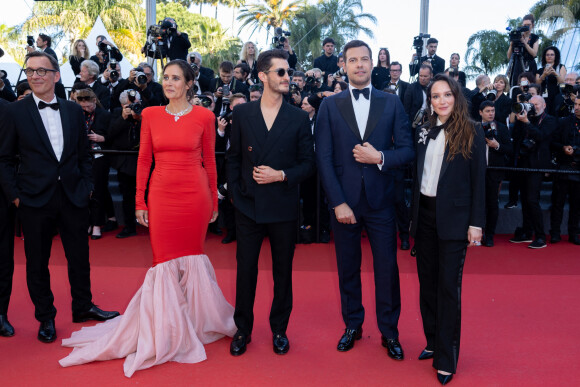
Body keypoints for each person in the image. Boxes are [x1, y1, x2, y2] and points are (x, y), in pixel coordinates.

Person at [59, 59, 236, 376]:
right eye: (165, 78)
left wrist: (214, 202)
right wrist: (139, 201)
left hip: (195, 197)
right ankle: (166, 328)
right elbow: (143, 161)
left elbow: (210, 162)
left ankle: (193, 321)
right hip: (162, 196)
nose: (169, 83)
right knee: (163, 261)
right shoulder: (152, 115)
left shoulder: (205, 117)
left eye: (175, 78)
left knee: (192, 257)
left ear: (189, 83)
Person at [0, 51, 119, 343]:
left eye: (42, 71)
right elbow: (3, 159)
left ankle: (83, 306)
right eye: (30, 71)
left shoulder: (72, 110)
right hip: (33, 200)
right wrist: (15, 196)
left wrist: (88, 185)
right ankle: (46, 317)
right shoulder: (14, 112)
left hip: (73, 196)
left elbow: (83, 154)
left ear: (56, 75)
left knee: (79, 257)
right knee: (37, 262)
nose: (36, 76)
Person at [315, 39, 414, 357]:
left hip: (381, 200)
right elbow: (324, 158)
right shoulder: (329, 105)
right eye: (352, 60)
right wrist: (338, 202)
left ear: (373, 64)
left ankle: (390, 332)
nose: (359, 65)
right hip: (344, 201)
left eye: (364, 59)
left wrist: (380, 157)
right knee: (347, 268)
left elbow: (408, 150)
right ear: (343, 64)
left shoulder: (392, 102)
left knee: (387, 269)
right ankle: (353, 325)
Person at [227, 49, 315, 356]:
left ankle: (280, 329)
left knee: (282, 272)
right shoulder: (242, 114)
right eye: (280, 72)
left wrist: (280, 175)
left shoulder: (299, 118)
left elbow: (308, 164)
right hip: (248, 207)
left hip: (283, 206)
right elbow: (234, 157)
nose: (287, 77)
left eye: (288, 72)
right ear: (262, 76)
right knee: (245, 270)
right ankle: (243, 329)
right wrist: (237, 195)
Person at [410, 74, 485, 385]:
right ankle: (433, 341)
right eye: (435, 96)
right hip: (424, 216)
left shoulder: (473, 131)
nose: (440, 101)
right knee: (427, 285)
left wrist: (476, 223)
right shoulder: (424, 129)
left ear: (457, 97)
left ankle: (446, 359)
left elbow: (479, 180)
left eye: (446, 95)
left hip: (454, 220)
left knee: (448, 289)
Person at [509, 96, 557, 249]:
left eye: (536, 104)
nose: (534, 107)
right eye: (532, 104)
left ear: (544, 105)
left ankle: (540, 236)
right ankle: (527, 232)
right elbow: (515, 136)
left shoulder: (549, 120)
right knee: (524, 199)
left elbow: (541, 136)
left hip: (537, 165)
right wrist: (520, 119)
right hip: (523, 163)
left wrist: (527, 123)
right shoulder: (527, 118)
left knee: (532, 199)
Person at [73, 88, 113, 240]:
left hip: (100, 157)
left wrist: (102, 138)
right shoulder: (77, 115)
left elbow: (114, 135)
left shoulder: (105, 115)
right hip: (81, 156)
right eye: (82, 107)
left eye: (88, 106)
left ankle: (97, 224)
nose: (85, 109)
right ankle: (88, 222)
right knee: (84, 191)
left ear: (94, 101)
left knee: (98, 191)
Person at [479, 101, 513, 247]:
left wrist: (497, 145)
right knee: (477, 204)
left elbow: (510, 150)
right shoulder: (473, 127)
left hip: (495, 172)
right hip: (477, 172)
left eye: (492, 110)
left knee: (492, 204)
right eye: (487, 111)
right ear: (480, 112)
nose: (491, 113)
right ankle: (475, 233)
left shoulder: (502, 128)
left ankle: (490, 235)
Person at [549, 97, 580, 245]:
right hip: (563, 167)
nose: (577, 107)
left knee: (577, 205)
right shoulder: (563, 122)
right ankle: (555, 233)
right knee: (557, 203)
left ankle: (574, 233)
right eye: (576, 104)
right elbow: (552, 142)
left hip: (579, 170)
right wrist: (563, 148)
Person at [0, 98, 16, 337]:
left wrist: (13, 194)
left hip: (0, 195)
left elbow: (6, 156)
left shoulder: (5, 109)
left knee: (2, 256)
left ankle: (0, 313)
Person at [507, 14, 539, 86]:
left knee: (528, 86)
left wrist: (524, 43)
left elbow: (534, 53)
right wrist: (512, 43)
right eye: (524, 25)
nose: (526, 27)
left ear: (532, 25)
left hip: (529, 66)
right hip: (517, 65)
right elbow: (509, 56)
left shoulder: (534, 37)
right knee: (515, 85)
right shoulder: (517, 36)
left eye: (528, 25)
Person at [536, 46, 567, 116]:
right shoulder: (540, 70)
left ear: (556, 56)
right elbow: (536, 83)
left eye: (552, 54)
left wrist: (555, 73)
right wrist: (544, 75)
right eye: (547, 55)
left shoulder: (560, 67)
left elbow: (563, 82)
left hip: (556, 97)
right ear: (544, 56)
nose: (549, 56)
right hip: (543, 97)